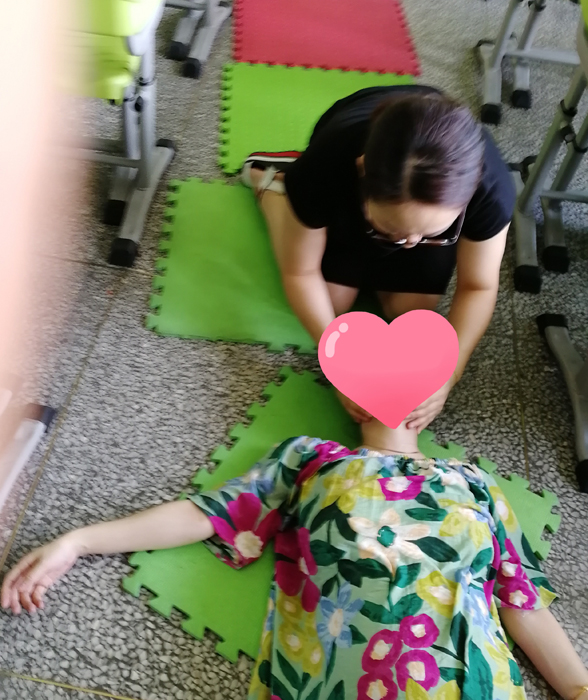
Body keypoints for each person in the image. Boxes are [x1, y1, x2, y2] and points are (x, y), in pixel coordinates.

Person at [2, 419, 586, 700]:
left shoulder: (476, 482)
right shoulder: (311, 460)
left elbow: (521, 601)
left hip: (472, 683)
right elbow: (208, 513)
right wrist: (78, 541)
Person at [240, 86, 516, 431]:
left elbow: (478, 286)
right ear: (362, 172)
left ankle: (407, 229)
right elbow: (300, 273)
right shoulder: (329, 164)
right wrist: (338, 367)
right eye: (392, 230)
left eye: (432, 232)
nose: (411, 244)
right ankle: (275, 181)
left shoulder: (492, 190)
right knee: (333, 302)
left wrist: (451, 371)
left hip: (417, 158)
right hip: (341, 172)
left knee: (414, 314)